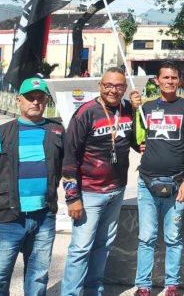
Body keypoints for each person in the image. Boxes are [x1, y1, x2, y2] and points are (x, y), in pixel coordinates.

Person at [0, 77, 64, 296]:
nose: (35, 102)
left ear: (46, 101)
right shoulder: (2, 132)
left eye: (40, 98)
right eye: (30, 98)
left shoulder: (57, 131)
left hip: (44, 217)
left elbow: (71, 165)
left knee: (38, 276)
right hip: (7, 217)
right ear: (18, 100)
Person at [60, 67, 141, 296]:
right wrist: (72, 196)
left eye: (119, 86)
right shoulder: (86, 112)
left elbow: (135, 142)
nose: (113, 90)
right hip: (89, 191)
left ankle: (94, 289)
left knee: (103, 245)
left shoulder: (127, 108)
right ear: (100, 86)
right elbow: (69, 158)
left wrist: (138, 111)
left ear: (125, 88)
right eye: (108, 85)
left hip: (116, 189)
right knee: (81, 248)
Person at [133, 61, 184, 296]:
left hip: (176, 182)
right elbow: (136, 139)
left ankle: (172, 284)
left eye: (174, 78)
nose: (169, 81)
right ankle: (143, 285)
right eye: (165, 77)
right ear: (157, 81)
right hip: (147, 182)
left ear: (179, 81)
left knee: (173, 237)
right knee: (146, 237)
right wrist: (134, 109)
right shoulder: (147, 108)